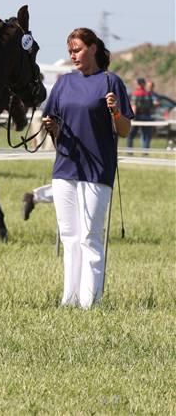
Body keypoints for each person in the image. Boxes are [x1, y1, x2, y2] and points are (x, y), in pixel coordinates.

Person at [41, 27, 132, 309]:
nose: (73, 55)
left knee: (90, 236)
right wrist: (51, 127)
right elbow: (52, 123)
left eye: (77, 49)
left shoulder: (110, 81)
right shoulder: (63, 83)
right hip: (65, 168)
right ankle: (69, 300)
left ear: (93, 48)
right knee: (69, 237)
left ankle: (90, 302)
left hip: (97, 170)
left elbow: (125, 129)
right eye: (70, 51)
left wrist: (115, 111)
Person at [126, 77, 156, 150]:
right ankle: (145, 152)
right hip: (147, 116)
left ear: (139, 84)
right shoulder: (148, 93)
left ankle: (129, 151)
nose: (135, 85)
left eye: (136, 84)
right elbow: (152, 105)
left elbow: (134, 106)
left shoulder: (136, 93)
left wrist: (132, 118)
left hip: (137, 117)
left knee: (130, 135)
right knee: (146, 136)